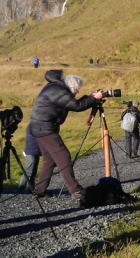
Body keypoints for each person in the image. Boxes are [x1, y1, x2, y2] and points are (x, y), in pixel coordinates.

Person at [28, 70, 104, 199]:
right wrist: (93, 99)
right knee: (63, 156)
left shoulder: (55, 88)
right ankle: (76, 190)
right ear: (71, 86)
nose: (77, 92)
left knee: (49, 160)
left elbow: (71, 102)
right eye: (77, 89)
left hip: (39, 127)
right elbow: (76, 106)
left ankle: (40, 190)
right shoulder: (58, 90)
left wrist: (90, 98)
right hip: (45, 128)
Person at [17, 124, 41, 193]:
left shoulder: (32, 125)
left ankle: (29, 189)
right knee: (29, 172)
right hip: (32, 152)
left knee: (32, 172)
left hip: (34, 151)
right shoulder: (34, 126)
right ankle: (21, 189)